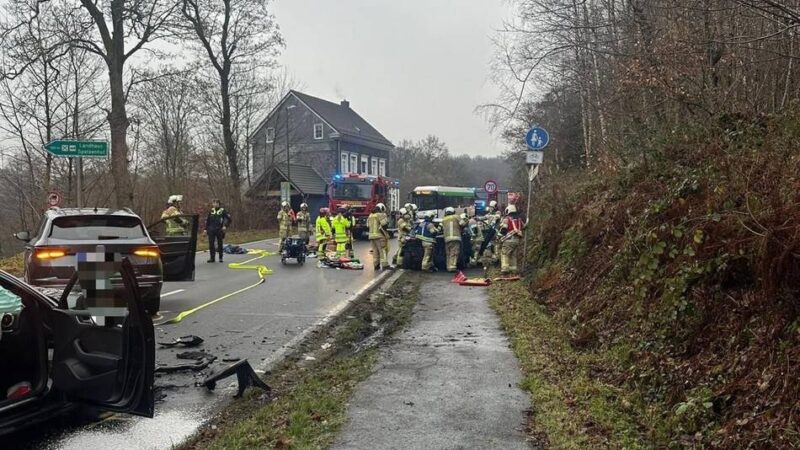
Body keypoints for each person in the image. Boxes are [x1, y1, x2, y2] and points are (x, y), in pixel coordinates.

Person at [499, 204, 525, 274]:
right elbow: (524, 226)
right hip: (517, 240)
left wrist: (500, 235)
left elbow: (503, 229)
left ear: (508, 210)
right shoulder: (519, 219)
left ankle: (505, 270)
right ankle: (513, 270)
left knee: (505, 254)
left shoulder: (507, 218)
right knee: (513, 255)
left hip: (509, 239)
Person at [205, 199, 231, 263]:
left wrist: (225, 226)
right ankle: (212, 258)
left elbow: (229, 219)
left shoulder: (222, 210)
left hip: (219, 229)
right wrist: (205, 229)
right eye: (213, 203)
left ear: (219, 204)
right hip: (211, 230)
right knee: (211, 244)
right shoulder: (211, 210)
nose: (214, 204)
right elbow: (208, 221)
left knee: (220, 244)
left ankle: (220, 257)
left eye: (216, 203)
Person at [367, 205, 390, 270]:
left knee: (375, 251)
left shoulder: (370, 215)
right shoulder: (379, 215)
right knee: (382, 250)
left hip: (371, 236)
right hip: (379, 236)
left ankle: (376, 265)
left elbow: (368, 225)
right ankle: (385, 265)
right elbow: (384, 224)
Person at [441, 207, 462, 272]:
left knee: (448, 253)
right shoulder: (456, 217)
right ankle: (452, 267)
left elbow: (440, 228)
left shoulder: (444, 219)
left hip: (447, 239)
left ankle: (448, 267)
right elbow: (462, 223)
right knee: (454, 253)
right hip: (456, 238)